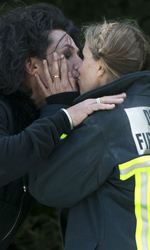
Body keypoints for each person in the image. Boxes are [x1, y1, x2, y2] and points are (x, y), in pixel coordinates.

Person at [0, 4, 126, 249]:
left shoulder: (41, 114)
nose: (80, 65)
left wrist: (58, 108)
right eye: (67, 55)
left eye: (80, 54)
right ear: (32, 66)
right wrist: (65, 117)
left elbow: (52, 180)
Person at [29, 20, 150, 250]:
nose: (78, 67)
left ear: (100, 68)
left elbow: (44, 187)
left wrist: (58, 110)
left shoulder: (105, 123)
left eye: (84, 57)